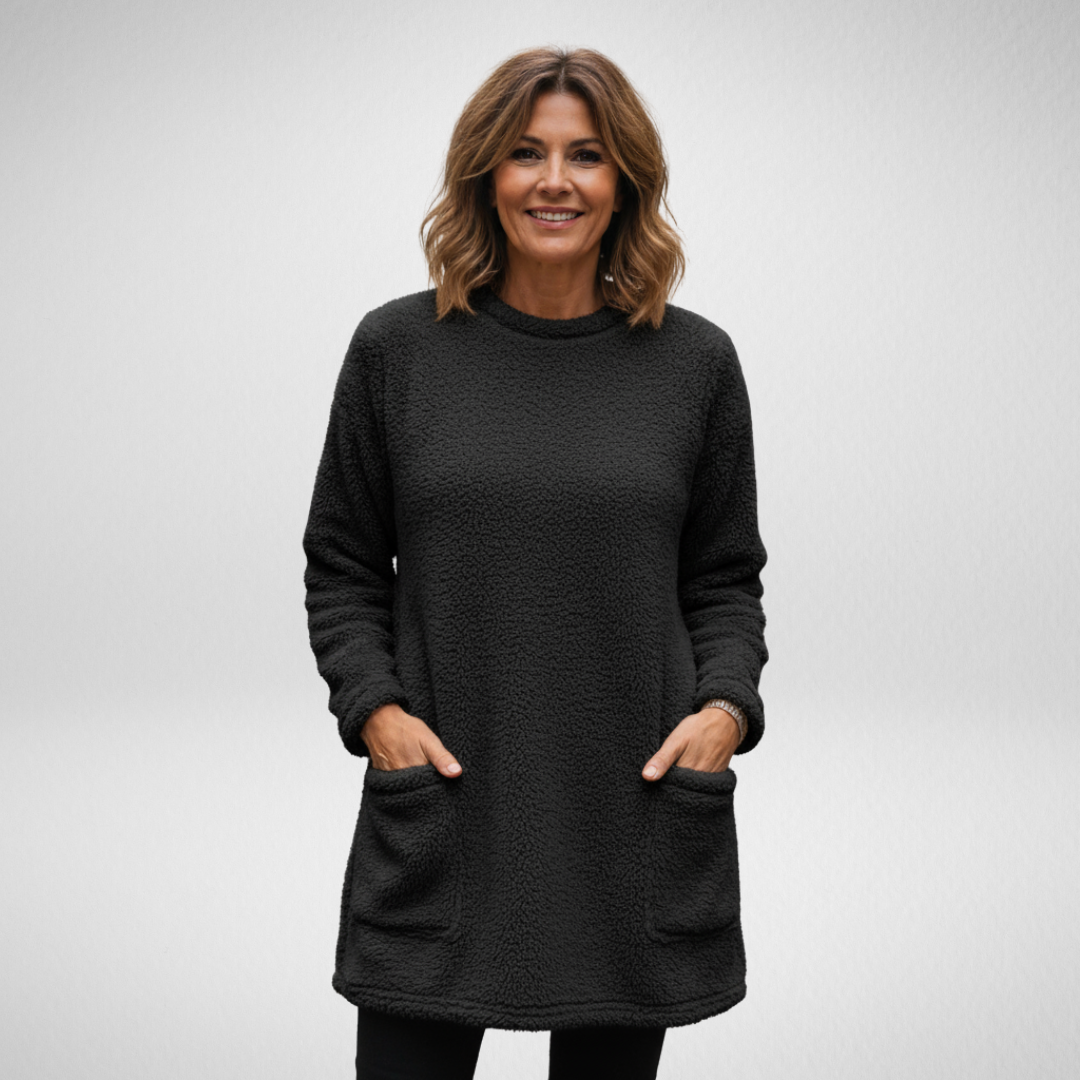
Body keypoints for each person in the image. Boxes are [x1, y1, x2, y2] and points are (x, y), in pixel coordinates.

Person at [302, 45, 769, 1080]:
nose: (555, 181)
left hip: (630, 824)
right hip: (446, 818)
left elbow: (723, 581)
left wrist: (725, 711)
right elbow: (341, 564)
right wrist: (376, 711)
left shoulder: (695, 364)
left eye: (586, 156)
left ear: (625, 183)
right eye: (526, 153)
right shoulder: (396, 351)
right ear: (485, 175)